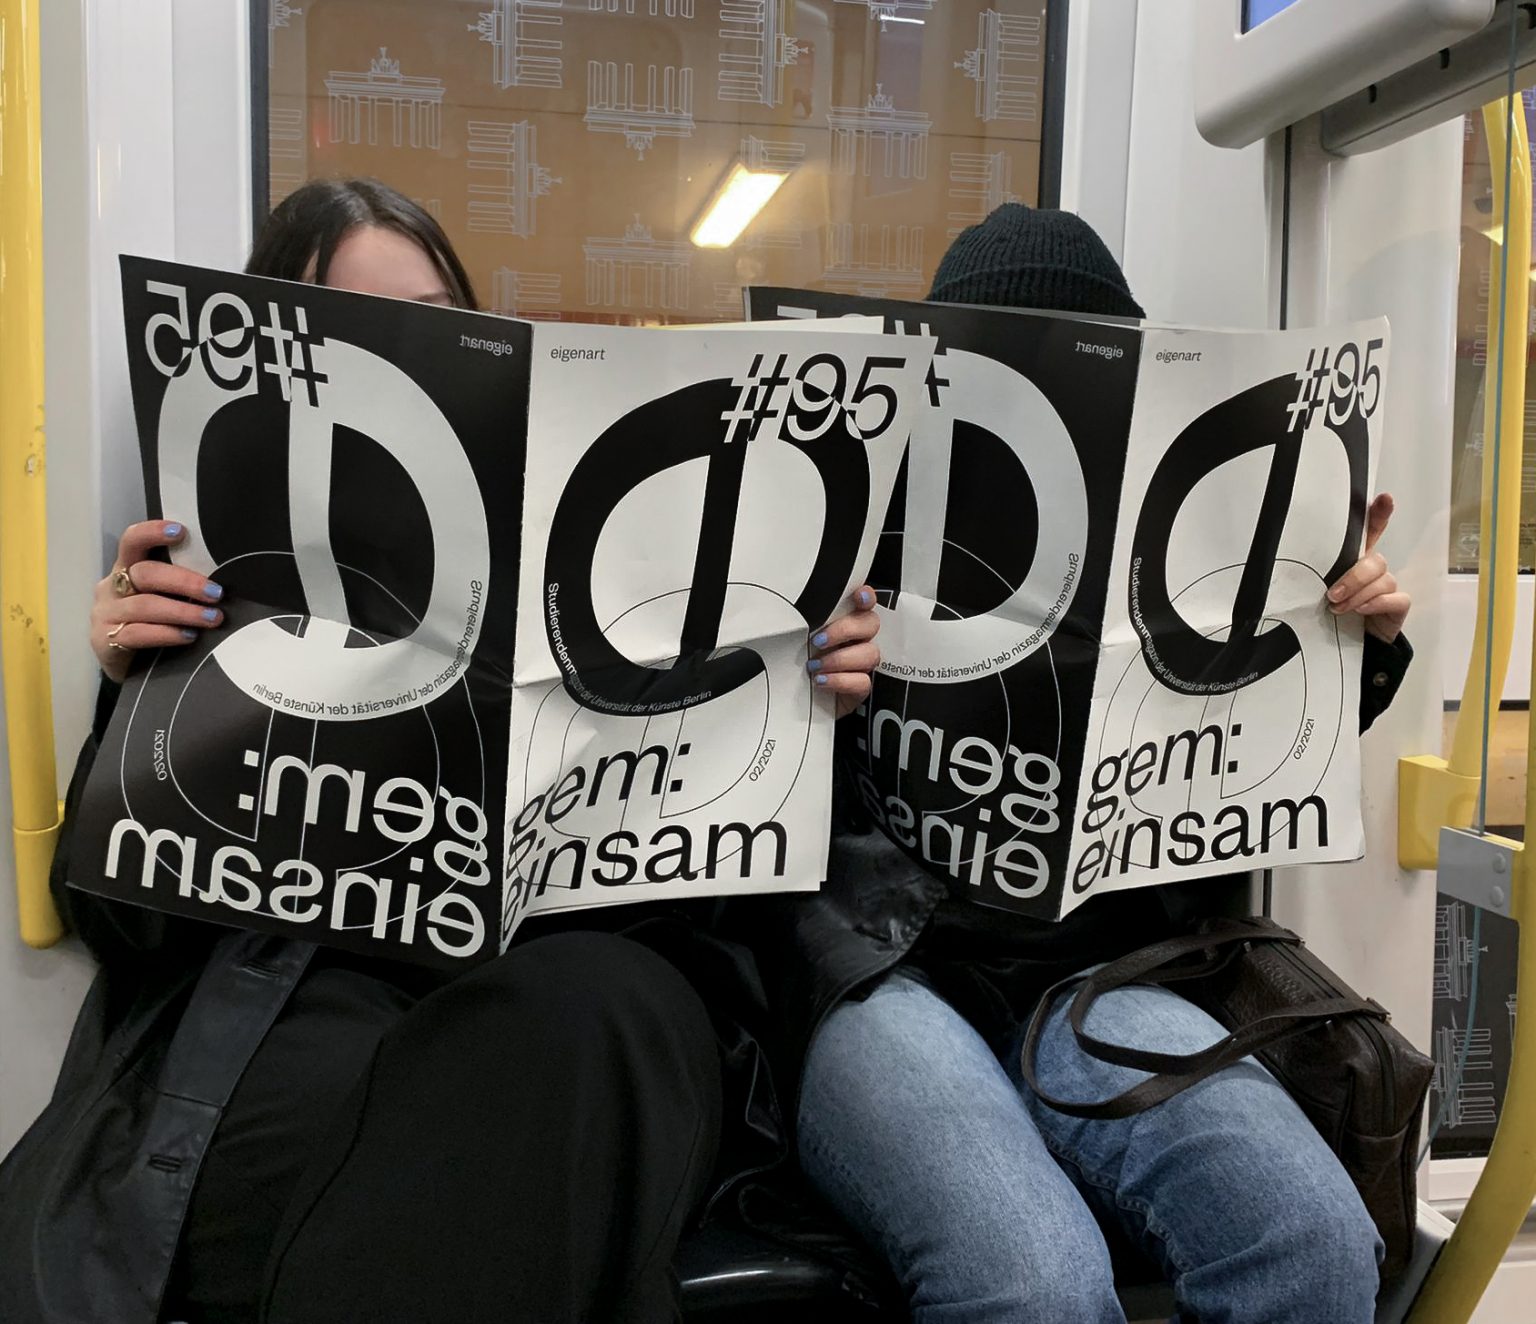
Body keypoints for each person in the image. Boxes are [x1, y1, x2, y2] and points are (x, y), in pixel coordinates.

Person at [0, 178, 883, 1324]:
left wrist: (805, 702)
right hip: (295, 1053)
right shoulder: (229, 582)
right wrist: (137, 691)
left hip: (544, 1026)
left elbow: (720, 906)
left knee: (603, 1005)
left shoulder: (621, 572)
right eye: (354, 330)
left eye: (427, 319)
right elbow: (123, 924)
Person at [751, 205, 1415, 1323]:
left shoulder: (1174, 544)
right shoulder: (835, 523)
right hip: (876, 966)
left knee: (1315, 1244)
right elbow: (717, 800)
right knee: (1033, 1283)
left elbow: (1247, 756)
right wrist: (799, 680)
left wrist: (1349, 634)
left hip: (1106, 968)